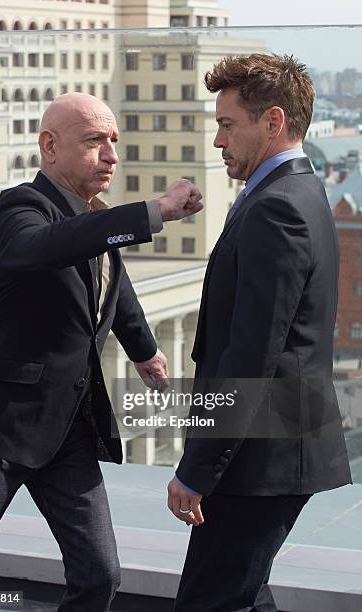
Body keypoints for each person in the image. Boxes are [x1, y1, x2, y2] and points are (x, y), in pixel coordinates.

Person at [0, 93, 203, 611]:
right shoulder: (19, 207)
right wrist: (153, 211)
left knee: (100, 574)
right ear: (49, 145)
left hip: (69, 428)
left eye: (114, 141)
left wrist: (144, 350)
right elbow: (44, 247)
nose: (111, 155)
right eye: (95, 141)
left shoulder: (95, 222)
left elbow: (115, 286)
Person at [167, 54, 352, 611]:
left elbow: (251, 355)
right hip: (269, 449)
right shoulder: (295, 192)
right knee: (240, 597)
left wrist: (197, 471)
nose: (218, 140)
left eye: (227, 124)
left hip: (262, 458)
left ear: (273, 122)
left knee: (208, 601)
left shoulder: (278, 209)